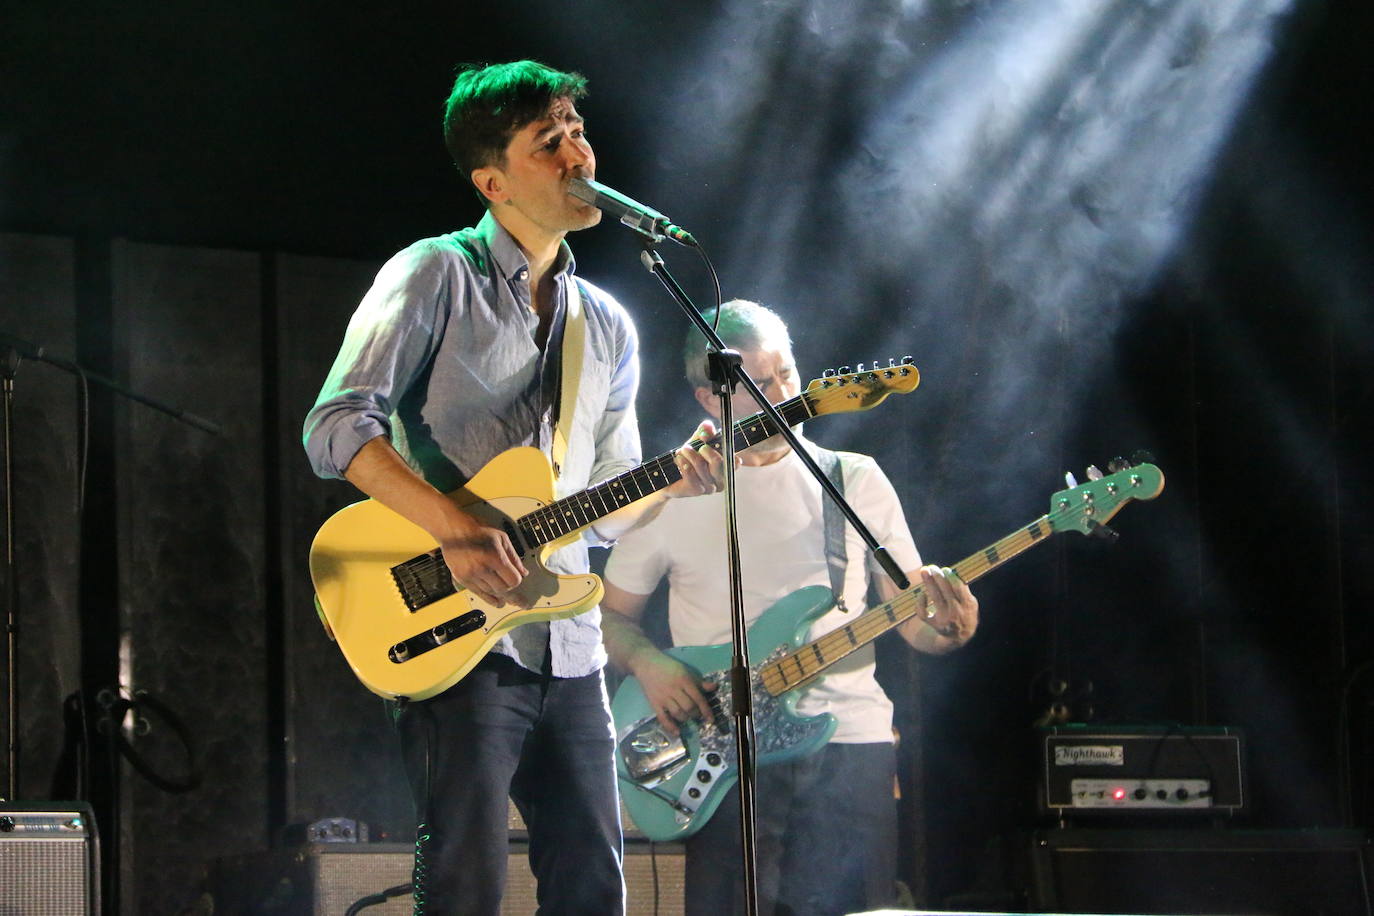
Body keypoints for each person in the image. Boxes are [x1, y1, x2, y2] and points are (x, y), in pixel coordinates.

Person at [302, 60, 723, 915]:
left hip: (569, 644)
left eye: (577, 131)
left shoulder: (608, 323)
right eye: (548, 141)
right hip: (455, 630)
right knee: (466, 881)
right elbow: (334, 425)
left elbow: (603, 507)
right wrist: (452, 525)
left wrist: (672, 483)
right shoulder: (434, 274)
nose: (578, 154)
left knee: (593, 882)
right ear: (493, 182)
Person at [600, 300, 980, 916]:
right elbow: (607, 616)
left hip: (850, 743)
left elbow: (916, 620)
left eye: (786, 374)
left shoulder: (854, 478)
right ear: (709, 399)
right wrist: (649, 664)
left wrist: (952, 628)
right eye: (759, 384)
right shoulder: (671, 492)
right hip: (725, 750)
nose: (782, 396)